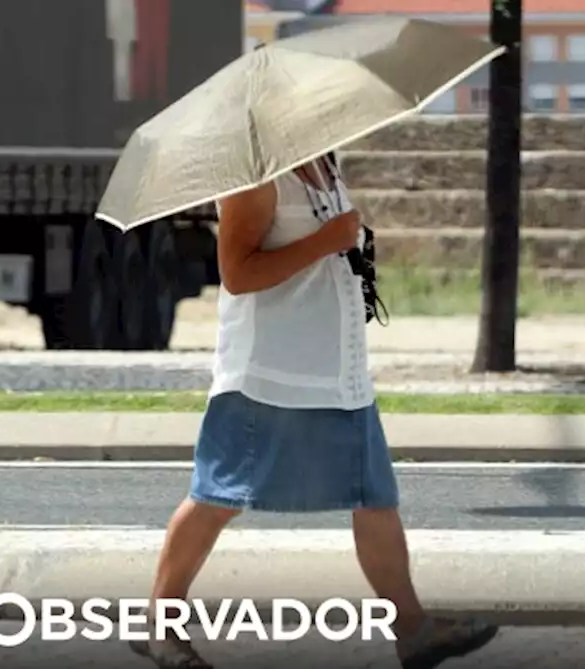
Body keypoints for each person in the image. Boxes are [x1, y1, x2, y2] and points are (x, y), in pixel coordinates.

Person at [128, 154, 499, 669]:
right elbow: (237, 273)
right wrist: (326, 241)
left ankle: (412, 628)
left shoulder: (325, 165)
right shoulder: (255, 177)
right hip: (270, 372)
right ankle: (159, 624)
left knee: (374, 497)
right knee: (218, 495)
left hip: (337, 370)